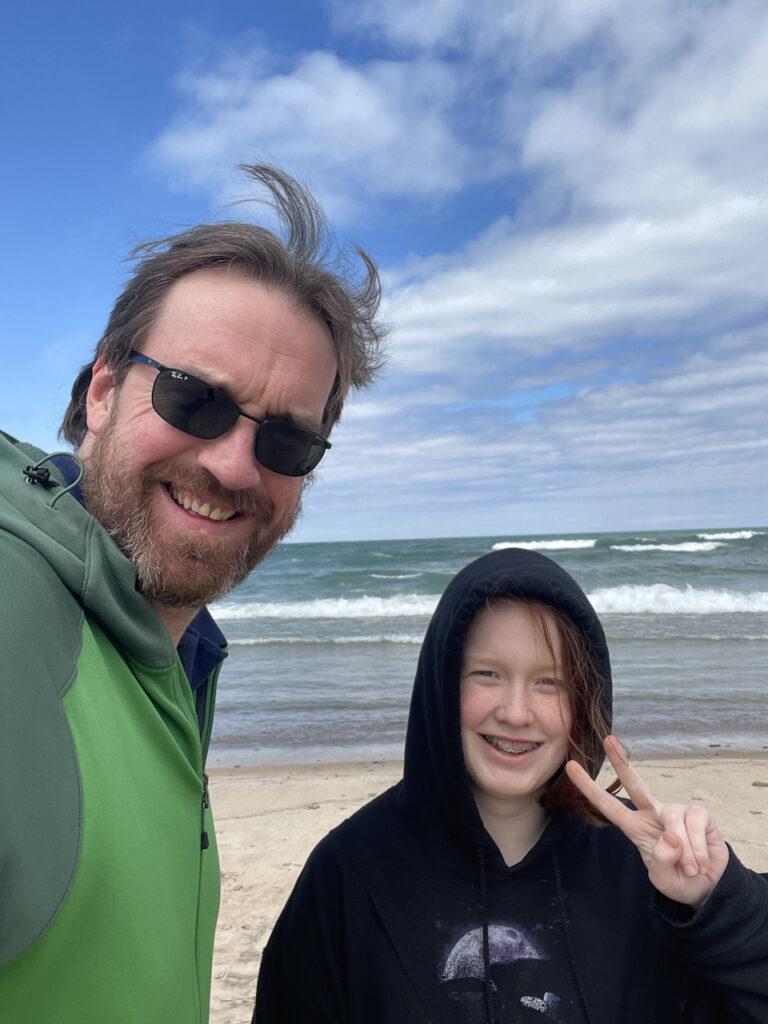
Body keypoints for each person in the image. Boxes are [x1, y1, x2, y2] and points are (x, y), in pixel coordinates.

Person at [0, 164, 385, 1023]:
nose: (234, 465)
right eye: (195, 399)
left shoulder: (178, 655)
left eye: (288, 441)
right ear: (103, 390)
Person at [254, 548, 768, 1023]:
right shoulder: (350, 871)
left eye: (550, 682)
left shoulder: (643, 864)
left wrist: (720, 903)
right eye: (486, 674)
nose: (516, 712)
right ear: (440, 681)